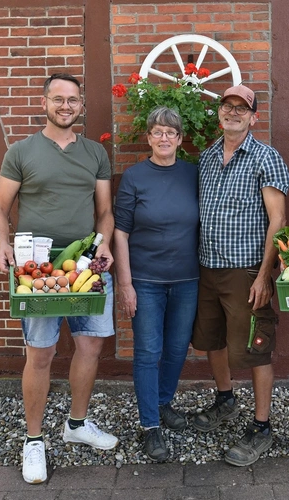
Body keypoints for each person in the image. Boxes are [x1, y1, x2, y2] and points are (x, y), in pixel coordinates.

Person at [0, 73, 118, 484]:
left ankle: (76, 425)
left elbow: (105, 212)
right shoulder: (21, 151)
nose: (66, 106)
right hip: (37, 266)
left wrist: (105, 244)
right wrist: (1, 244)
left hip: (84, 265)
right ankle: (34, 440)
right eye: (58, 99)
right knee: (40, 354)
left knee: (90, 347)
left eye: (73, 100)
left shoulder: (95, 153)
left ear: (81, 106)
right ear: (44, 102)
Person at [191, 84, 289, 467]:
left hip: (246, 270)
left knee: (255, 346)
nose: (232, 112)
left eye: (241, 108)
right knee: (212, 340)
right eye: (227, 106)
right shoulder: (207, 156)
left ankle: (261, 426)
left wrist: (265, 275)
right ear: (219, 113)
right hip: (207, 268)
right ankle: (225, 399)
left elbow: (278, 221)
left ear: (253, 116)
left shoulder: (266, 158)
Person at [113, 106, 200, 462]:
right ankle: (150, 426)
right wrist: (126, 283)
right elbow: (120, 233)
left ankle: (163, 403)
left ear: (180, 139)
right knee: (149, 353)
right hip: (145, 281)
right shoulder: (135, 177)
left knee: (177, 349)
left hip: (187, 280)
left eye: (171, 132)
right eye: (157, 132)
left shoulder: (193, 174)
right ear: (148, 137)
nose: (164, 138)